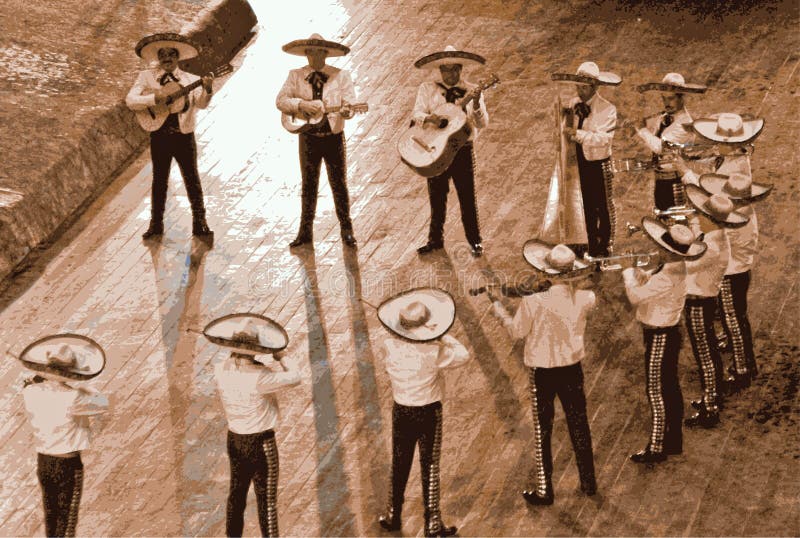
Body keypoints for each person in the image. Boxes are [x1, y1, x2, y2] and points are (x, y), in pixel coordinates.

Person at [491, 243, 597, 504]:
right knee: (579, 423)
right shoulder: (586, 299)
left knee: (543, 429)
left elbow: (517, 331)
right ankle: (588, 481)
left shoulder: (534, 301)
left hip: (543, 372)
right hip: (572, 368)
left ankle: (544, 488)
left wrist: (501, 312)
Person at [376, 288, 471, 537]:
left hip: (401, 410)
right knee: (430, 466)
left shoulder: (388, 346)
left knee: (399, 463)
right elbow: (463, 355)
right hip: (429, 412)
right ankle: (432, 522)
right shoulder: (432, 351)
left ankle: (392, 513)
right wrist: (443, 337)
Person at [686, 113, 769, 389]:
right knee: (732, 313)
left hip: (734, 261)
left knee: (734, 316)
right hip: (737, 255)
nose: (714, 144)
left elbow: (711, 195)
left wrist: (686, 172)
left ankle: (743, 366)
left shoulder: (734, 174)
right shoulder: (735, 161)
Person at [205, 315, 302, 537]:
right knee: (266, 501)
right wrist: (282, 356)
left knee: (236, 496)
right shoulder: (260, 376)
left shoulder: (221, 369)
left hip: (235, 439)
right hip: (261, 443)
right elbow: (296, 377)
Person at [622, 219, 706, 462]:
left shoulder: (668, 275)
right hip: (667, 332)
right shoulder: (672, 269)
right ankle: (673, 440)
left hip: (659, 334)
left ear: (669, 252)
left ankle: (657, 446)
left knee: (656, 390)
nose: (656, 248)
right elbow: (650, 284)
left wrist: (628, 274)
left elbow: (636, 296)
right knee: (669, 387)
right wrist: (639, 271)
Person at [126, 33, 215, 241]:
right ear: (158, 58)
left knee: (192, 179)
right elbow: (130, 100)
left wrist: (207, 90)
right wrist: (153, 97)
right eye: (163, 55)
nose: (167, 59)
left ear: (177, 58)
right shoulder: (146, 77)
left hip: (184, 135)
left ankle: (200, 223)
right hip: (159, 135)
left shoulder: (191, 80)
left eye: (171, 55)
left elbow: (200, 104)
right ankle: (155, 225)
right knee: (159, 180)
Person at [18, 337, 110, 538]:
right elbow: (102, 403)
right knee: (66, 523)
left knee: (51, 518)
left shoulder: (31, 392)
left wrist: (38, 377)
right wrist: (78, 384)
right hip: (67, 464)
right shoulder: (73, 397)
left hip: (44, 462)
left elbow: (28, 384)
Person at [276, 33, 358, 249]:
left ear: (326, 54)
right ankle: (305, 232)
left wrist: (347, 111)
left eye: (318, 52)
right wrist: (301, 105)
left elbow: (350, 104)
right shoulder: (295, 76)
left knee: (339, 184)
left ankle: (346, 230)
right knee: (308, 185)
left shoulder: (341, 76)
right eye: (309, 53)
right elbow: (281, 101)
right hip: (308, 137)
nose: (314, 57)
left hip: (333, 137)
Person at [679, 184, 749, 428]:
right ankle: (713, 395)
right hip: (702, 300)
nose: (697, 216)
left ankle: (711, 404)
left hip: (699, 303)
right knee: (707, 353)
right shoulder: (713, 237)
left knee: (705, 356)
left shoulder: (711, 248)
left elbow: (684, 264)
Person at [412, 45, 489, 257]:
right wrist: (429, 118)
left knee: (467, 197)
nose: (451, 74)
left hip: (461, 150)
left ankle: (475, 241)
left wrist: (475, 105)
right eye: (446, 70)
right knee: (436, 197)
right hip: (435, 148)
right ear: (440, 70)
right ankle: (434, 240)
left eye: (455, 69)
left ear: (460, 69)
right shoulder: (427, 90)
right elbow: (416, 113)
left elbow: (482, 124)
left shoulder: (472, 90)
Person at [553, 61, 620, 257]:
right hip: (579, 161)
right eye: (578, 86)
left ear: (595, 87)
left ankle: (606, 243)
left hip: (598, 163)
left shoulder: (608, 110)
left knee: (602, 205)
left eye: (584, 87)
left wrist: (578, 134)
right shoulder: (575, 103)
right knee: (585, 203)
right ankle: (590, 241)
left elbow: (604, 139)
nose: (580, 91)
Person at [628, 72, 707, 211]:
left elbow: (661, 148)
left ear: (682, 98)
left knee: (677, 222)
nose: (666, 103)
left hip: (676, 182)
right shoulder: (664, 117)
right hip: (660, 180)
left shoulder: (686, 124)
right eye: (663, 99)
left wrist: (641, 129)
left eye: (670, 99)